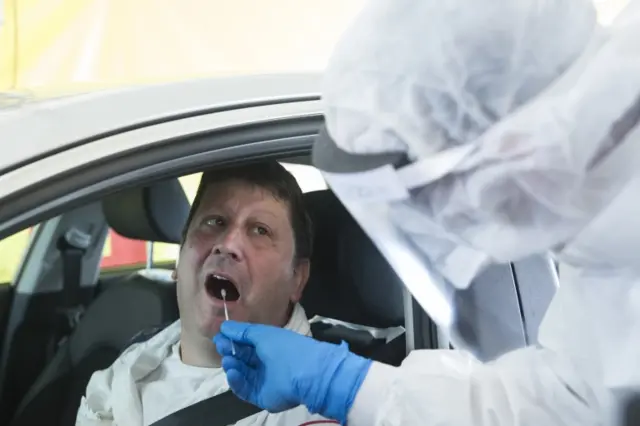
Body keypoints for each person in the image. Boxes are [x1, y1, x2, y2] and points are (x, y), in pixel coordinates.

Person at [214, 0, 640, 425]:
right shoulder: (603, 250)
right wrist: (345, 383)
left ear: (507, 150)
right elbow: (561, 405)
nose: (446, 224)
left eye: (435, 200)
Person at [76, 161, 336, 425]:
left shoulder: (321, 394)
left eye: (260, 230)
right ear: (179, 258)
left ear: (297, 279)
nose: (228, 244)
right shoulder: (123, 371)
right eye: (215, 221)